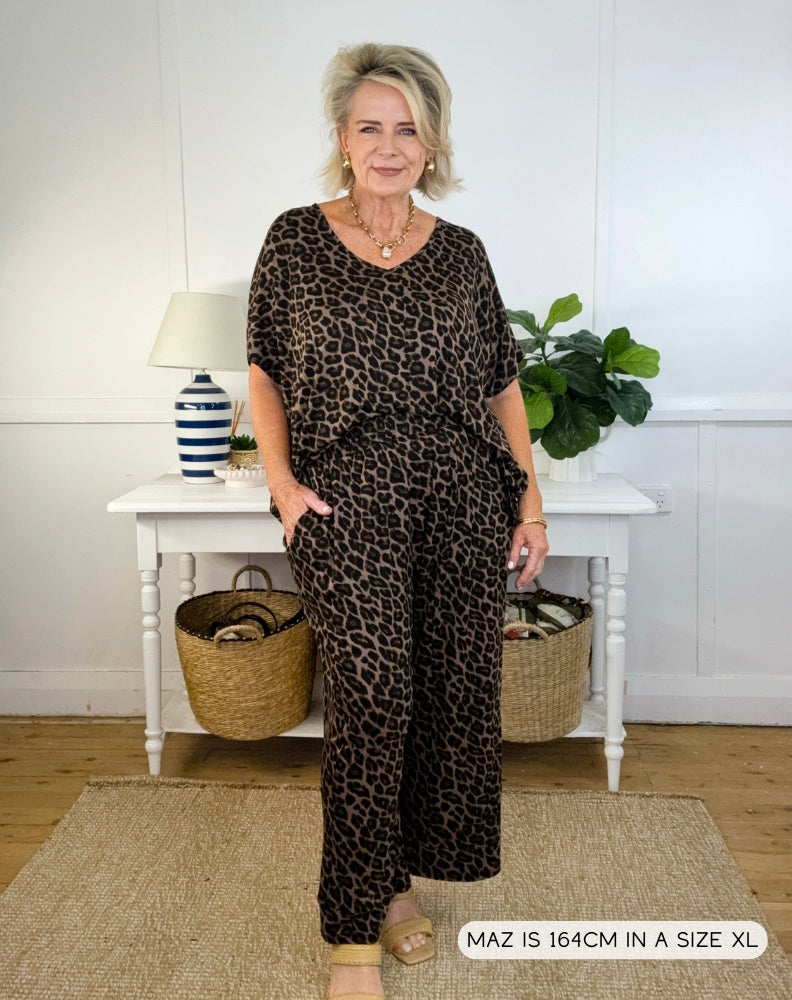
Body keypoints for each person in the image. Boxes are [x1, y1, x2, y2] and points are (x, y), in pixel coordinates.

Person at [247, 42, 549, 1000]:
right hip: (346, 499)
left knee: (445, 698)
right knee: (373, 689)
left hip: (462, 497)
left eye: (408, 129)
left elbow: (501, 383)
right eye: (370, 127)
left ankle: (395, 886)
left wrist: (529, 498)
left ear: (432, 144)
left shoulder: (462, 253)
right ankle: (351, 938)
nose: (388, 146)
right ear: (342, 138)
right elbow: (264, 370)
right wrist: (282, 486)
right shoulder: (295, 241)